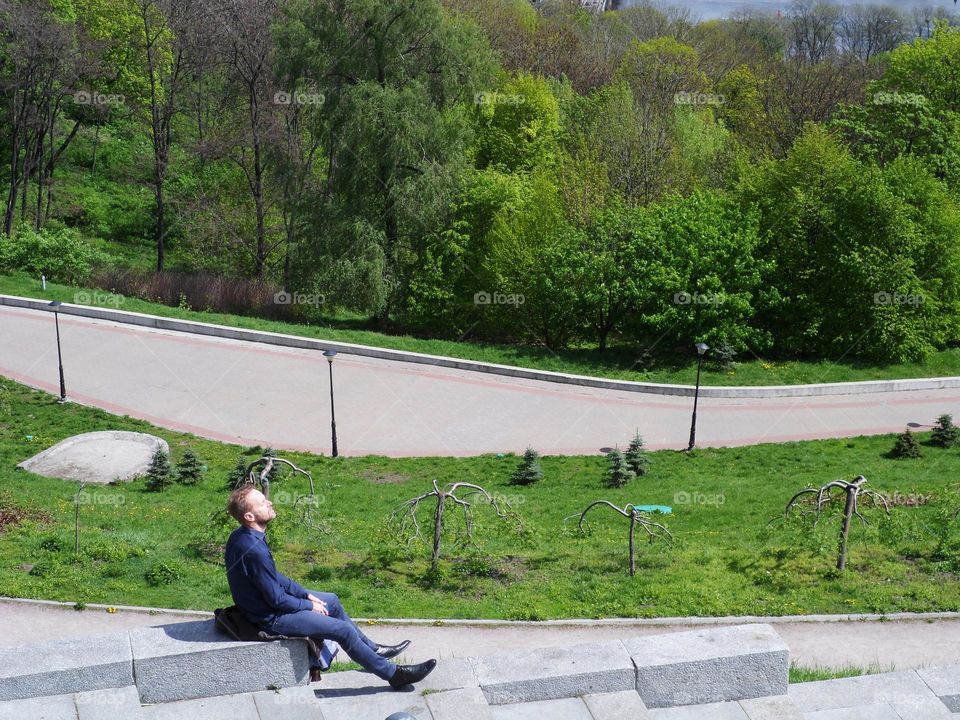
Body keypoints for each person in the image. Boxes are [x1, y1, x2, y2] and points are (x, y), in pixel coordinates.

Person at [224, 485, 436, 688]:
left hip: (268, 607)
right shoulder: (254, 549)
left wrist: (305, 594)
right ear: (249, 517)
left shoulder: (243, 536)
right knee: (342, 631)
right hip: (270, 618)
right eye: (262, 502)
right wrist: (307, 606)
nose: (270, 502)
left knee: (331, 600)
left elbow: (274, 577)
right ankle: (393, 675)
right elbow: (276, 599)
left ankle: (373, 650)